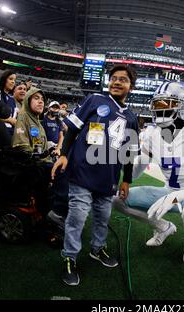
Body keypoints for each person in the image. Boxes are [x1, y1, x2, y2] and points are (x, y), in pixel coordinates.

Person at [113, 81, 184, 264]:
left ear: (183, 106)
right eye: (156, 105)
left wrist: (177, 197)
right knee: (117, 200)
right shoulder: (152, 133)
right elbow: (137, 171)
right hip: (167, 191)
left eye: (166, 104)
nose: (159, 110)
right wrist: (122, 158)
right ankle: (163, 227)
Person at [51, 64, 139, 286]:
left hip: (108, 178)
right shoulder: (95, 100)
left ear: (131, 86)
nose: (117, 82)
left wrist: (126, 180)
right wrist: (63, 154)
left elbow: (129, 153)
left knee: (103, 218)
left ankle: (97, 249)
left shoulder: (131, 117)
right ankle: (69, 257)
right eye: (114, 78)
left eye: (123, 79)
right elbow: (73, 128)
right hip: (82, 172)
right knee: (78, 216)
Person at [0, 70, 17, 135]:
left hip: (11, 134)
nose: (13, 82)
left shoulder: (12, 100)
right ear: (4, 79)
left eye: (14, 80)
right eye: (10, 79)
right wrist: (9, 120)